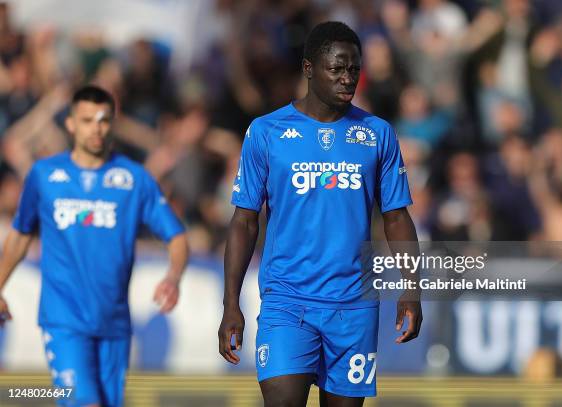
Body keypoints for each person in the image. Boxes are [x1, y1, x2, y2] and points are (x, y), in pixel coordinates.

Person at [218, 22, 422, 407]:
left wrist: (411, 288)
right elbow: (244, 220)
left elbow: (396, 216)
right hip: (287, 303)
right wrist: (231, 302)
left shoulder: (376, 134)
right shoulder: (267, 132)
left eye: (354, 70)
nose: (348, 79)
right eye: (337, 69)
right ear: (309, 68)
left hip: (354, 308)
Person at [0, 85, 189, 407]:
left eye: (103, 120)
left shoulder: (133, 179)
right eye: (87, 120)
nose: (96, 128)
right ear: (71, 124)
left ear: (113, 122)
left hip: (114, 323)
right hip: (64, 320)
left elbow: (176, 235)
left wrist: (173, 276)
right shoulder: (44, 175)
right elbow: (20, 235)